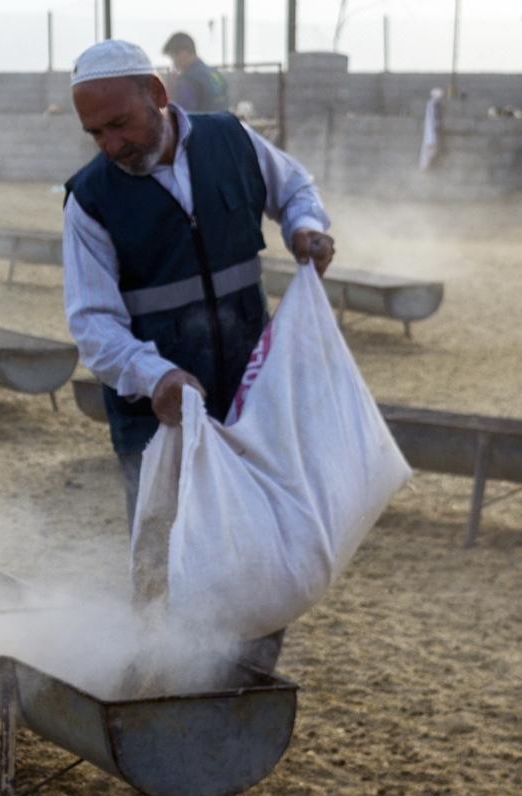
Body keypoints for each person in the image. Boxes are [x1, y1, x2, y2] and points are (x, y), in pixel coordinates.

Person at [62, 40, 333, 668]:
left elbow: (295, 188)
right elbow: (94, 326)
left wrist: (305, 227)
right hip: (158, 424)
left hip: (248, 400)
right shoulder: (90, 200)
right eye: (95, 133)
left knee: (260, 549)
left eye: (119, 124)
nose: (110, 144)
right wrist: (154, 376)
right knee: (169, 561)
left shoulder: (230, 140)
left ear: (158, 95)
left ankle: (246, 684)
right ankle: (166, 687)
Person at [161, 32, 229, 113]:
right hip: (222, 120)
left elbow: (183, 114)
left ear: (183, 53)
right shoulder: (215, 74)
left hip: (201, 121)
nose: (173, 63)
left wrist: (170, 94)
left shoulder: (187, 79)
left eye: (173, 57)